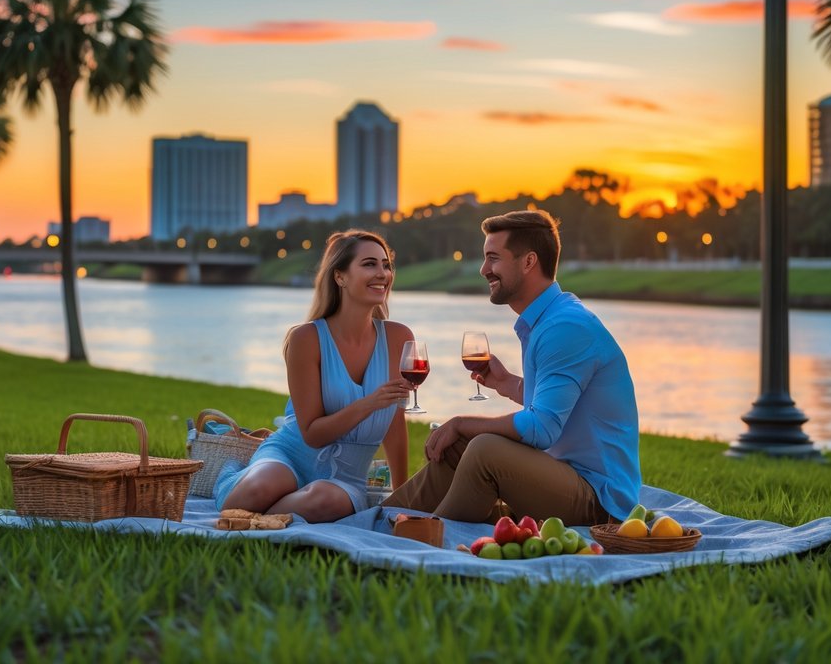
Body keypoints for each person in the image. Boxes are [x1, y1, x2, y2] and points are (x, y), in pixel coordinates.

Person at [383, 209, 640, 525]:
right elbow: (557, 405)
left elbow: (541, 428)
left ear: (529, 262)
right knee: (461, 446)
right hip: (563, 476)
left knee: (484, 449)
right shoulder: (550, 320)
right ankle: (384, 518)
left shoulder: (566, 327)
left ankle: (426, 537)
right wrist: (507, 384)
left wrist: (462, 421)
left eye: (493, 258)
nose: (483, 270)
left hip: (599, 501)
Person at [215, 230, 414, 522]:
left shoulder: (399, 337)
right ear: (340, 277)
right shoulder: (306, 338)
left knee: (322, 500)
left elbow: (395, 424)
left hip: (346, 479)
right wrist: (370, 403)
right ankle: (235, 481)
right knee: (256, 491)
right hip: (290, 454)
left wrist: (402, 495)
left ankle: (250, 515)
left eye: (386, 265)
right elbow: (312, 434)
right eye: (369, 264)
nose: (382, 273)